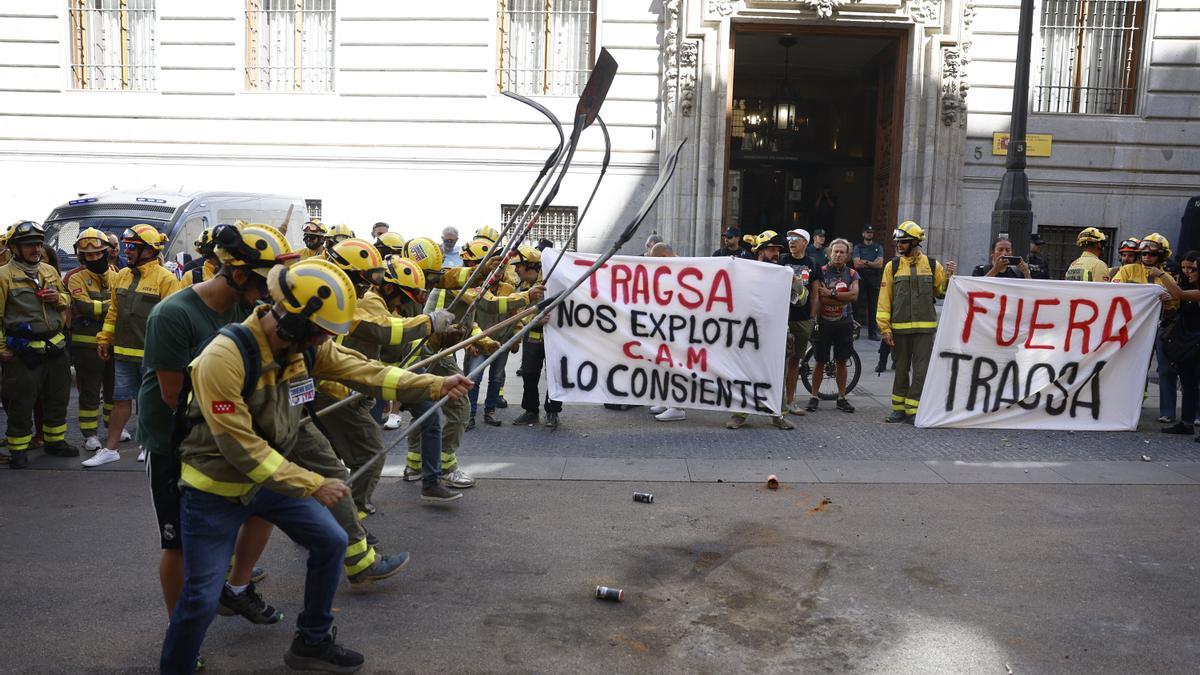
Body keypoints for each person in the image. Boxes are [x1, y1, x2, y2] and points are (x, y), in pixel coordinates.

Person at [159, 257, 473, 674]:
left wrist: (434, 384)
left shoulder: (306, 345)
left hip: (266, 482)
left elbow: (365, 370)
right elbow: (239, 445)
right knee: (200, 596)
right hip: (215, 491)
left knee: (331, 540)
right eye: (320, 331)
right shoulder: (223, 357)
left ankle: (312, 641)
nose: (324, 339)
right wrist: (310, 483)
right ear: (291, 319)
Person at [141, 224, 292, 658]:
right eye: (264, 280)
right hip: (176, 442)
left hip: (227, 431)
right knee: (178, 544)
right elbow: (173, 397)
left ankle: (235, 586)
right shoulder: (173, 315)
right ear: (239, 274)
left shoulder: (248, 309)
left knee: (264, 503)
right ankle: (181, 638)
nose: (270, 293)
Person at [316, 238, 456, 512]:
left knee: (352, 452)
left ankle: (336, 518)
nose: (405, 306)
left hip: (367, 381)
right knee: (358, 454)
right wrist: (429, 323)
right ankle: (343, 520)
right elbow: (386, 331)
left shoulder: (371, 300)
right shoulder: (361, 302)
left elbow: (401, 338)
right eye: (404, 299)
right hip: (342, 387)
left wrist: (439, 339)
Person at [88, 224, 181, 466]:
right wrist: (104, 338)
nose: (126, 251)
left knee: (151, 404)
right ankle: (110, 449)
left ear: (149, 251)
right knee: (120, 401)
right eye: (127, 246)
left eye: (133, 247)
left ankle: (148, 446)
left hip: (152, 355)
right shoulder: (122, 275)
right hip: (123, 354)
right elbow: (113, 314)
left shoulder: (166, 279)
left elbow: (173, 320)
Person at [0, 221, 74, 468]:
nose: (36, 249)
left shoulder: (49, 271)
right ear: (14, 248)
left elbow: (66, 298)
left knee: (57, 398)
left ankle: (55, 442)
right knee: (21, 401)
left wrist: (58, 298)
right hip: (24, 352)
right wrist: (2, 349)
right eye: (29, 245)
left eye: (39, 244)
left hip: (55, 347)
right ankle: (18, 450)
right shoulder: (4, 276)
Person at [877, 220, 955, 423]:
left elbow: (941, 292)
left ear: (914, 242)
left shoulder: (931, 265)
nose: (899, 246)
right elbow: (884, 300)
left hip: (925, 330)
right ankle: (898, 409)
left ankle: (914, 409)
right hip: (899, 329)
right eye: (898, 242)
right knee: (900, 369)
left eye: (903, 242)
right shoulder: (892, 267)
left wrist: (948, 276)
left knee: (921, 371)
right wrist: (885, 329)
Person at [727, 231, 795, 431]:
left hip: (777, 334)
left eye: (777, 250)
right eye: (771, 249)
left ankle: (778, 416)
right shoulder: (746, 272)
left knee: (777, 376)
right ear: (760, 251)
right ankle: (739, 414)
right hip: (749, 333)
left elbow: (800, 299)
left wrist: (796, 284)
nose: (775, 253)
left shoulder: (784, 273)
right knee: (744, 373)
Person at [1113, 233, 1182, 425]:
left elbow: (1176, 304)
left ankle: (1167, 411)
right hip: (1134, 328)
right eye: (1143, 254)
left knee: (1166, 370)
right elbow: (1114, 291)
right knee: (1129, 366)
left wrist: (1169, 301)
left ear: (1161, 256)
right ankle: (1125, 405)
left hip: (1162, 328)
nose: (1146, 258)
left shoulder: (1166, 277)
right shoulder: (1127, 271)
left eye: (1151, 255)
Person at [64, 228, 117, 451]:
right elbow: (85, 307)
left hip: (114, 342)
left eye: (97, 254)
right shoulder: (77, 278)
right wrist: (114, 305)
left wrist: (104, 308)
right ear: (82, 256)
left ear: (106, 252)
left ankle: (114, 427)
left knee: (114, 389)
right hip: (86, 345)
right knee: (89, 391)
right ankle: (90, 434)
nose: (94, 258)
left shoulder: (117, 274)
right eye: (89, 255)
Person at [806, 238, 859, 413]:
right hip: (823, 323)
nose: (838, 255)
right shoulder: (820, 272)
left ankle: (842, 398)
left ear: (847, 255)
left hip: (844, 323)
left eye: (842, 252)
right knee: (820, 361)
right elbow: (819, 296)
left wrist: (831, 293)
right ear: (829, 253)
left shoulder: (852, 274)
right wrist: (839, 296)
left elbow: (854, 296)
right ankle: (814, 396)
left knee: (841, 361)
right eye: (835, 251)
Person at [1164, 251, 1200, 437]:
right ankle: (1186, 423)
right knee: (1188, 383)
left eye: (1192, 269)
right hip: (1188, 343)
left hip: (1195, 342)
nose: (1188, 272)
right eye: (1184, 268)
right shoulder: (1187, 286)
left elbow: (1178, 293)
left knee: (1195, 384)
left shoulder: (1193, 290)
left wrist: (1161, 274)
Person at [780, 228, 815, 416]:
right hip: (781, 318)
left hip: (802, 319)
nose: (791, 241)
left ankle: (790, 400)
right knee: (779, 361)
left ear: (805, 243)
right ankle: (776, 401)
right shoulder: (781, 260)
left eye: (796, 238)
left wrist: (812, 318)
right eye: (789, 238)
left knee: (794, 361)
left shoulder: (811, 263)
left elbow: (815, 292)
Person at [852, 225, 884, 339]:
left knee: (873, 306)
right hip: (860, 278)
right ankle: (854, 331)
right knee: (857, 305)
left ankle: (872, 333)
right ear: (863, 234)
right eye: (867, 232)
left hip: (873, 279)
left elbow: (880, 264)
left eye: (871, 232)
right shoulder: (858, 247)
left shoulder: (878, 247)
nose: (869, 234)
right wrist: (872, 263)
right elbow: (856, 263)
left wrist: (864, 262)